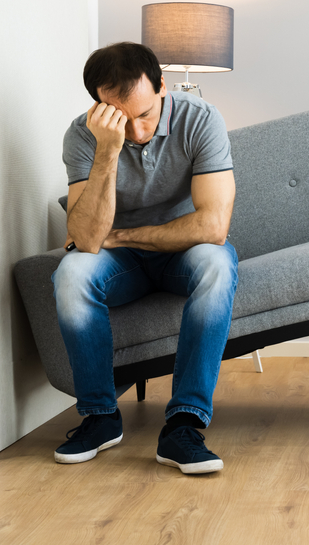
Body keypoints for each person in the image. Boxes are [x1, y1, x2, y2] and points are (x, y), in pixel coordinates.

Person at [50, 41, 238, 474]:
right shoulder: (85, 135)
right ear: (100, 106)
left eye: (146, 115)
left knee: (216, 263)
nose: (136, 132)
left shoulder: (201, 118)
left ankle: (184, 426)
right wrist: (107, 150)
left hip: (185, 252)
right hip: (122, 262)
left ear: (162, 87)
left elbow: (212, 227)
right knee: (71, 273)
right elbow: (86, 239)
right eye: (120, 118)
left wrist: (124, 236)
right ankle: (99, 416)